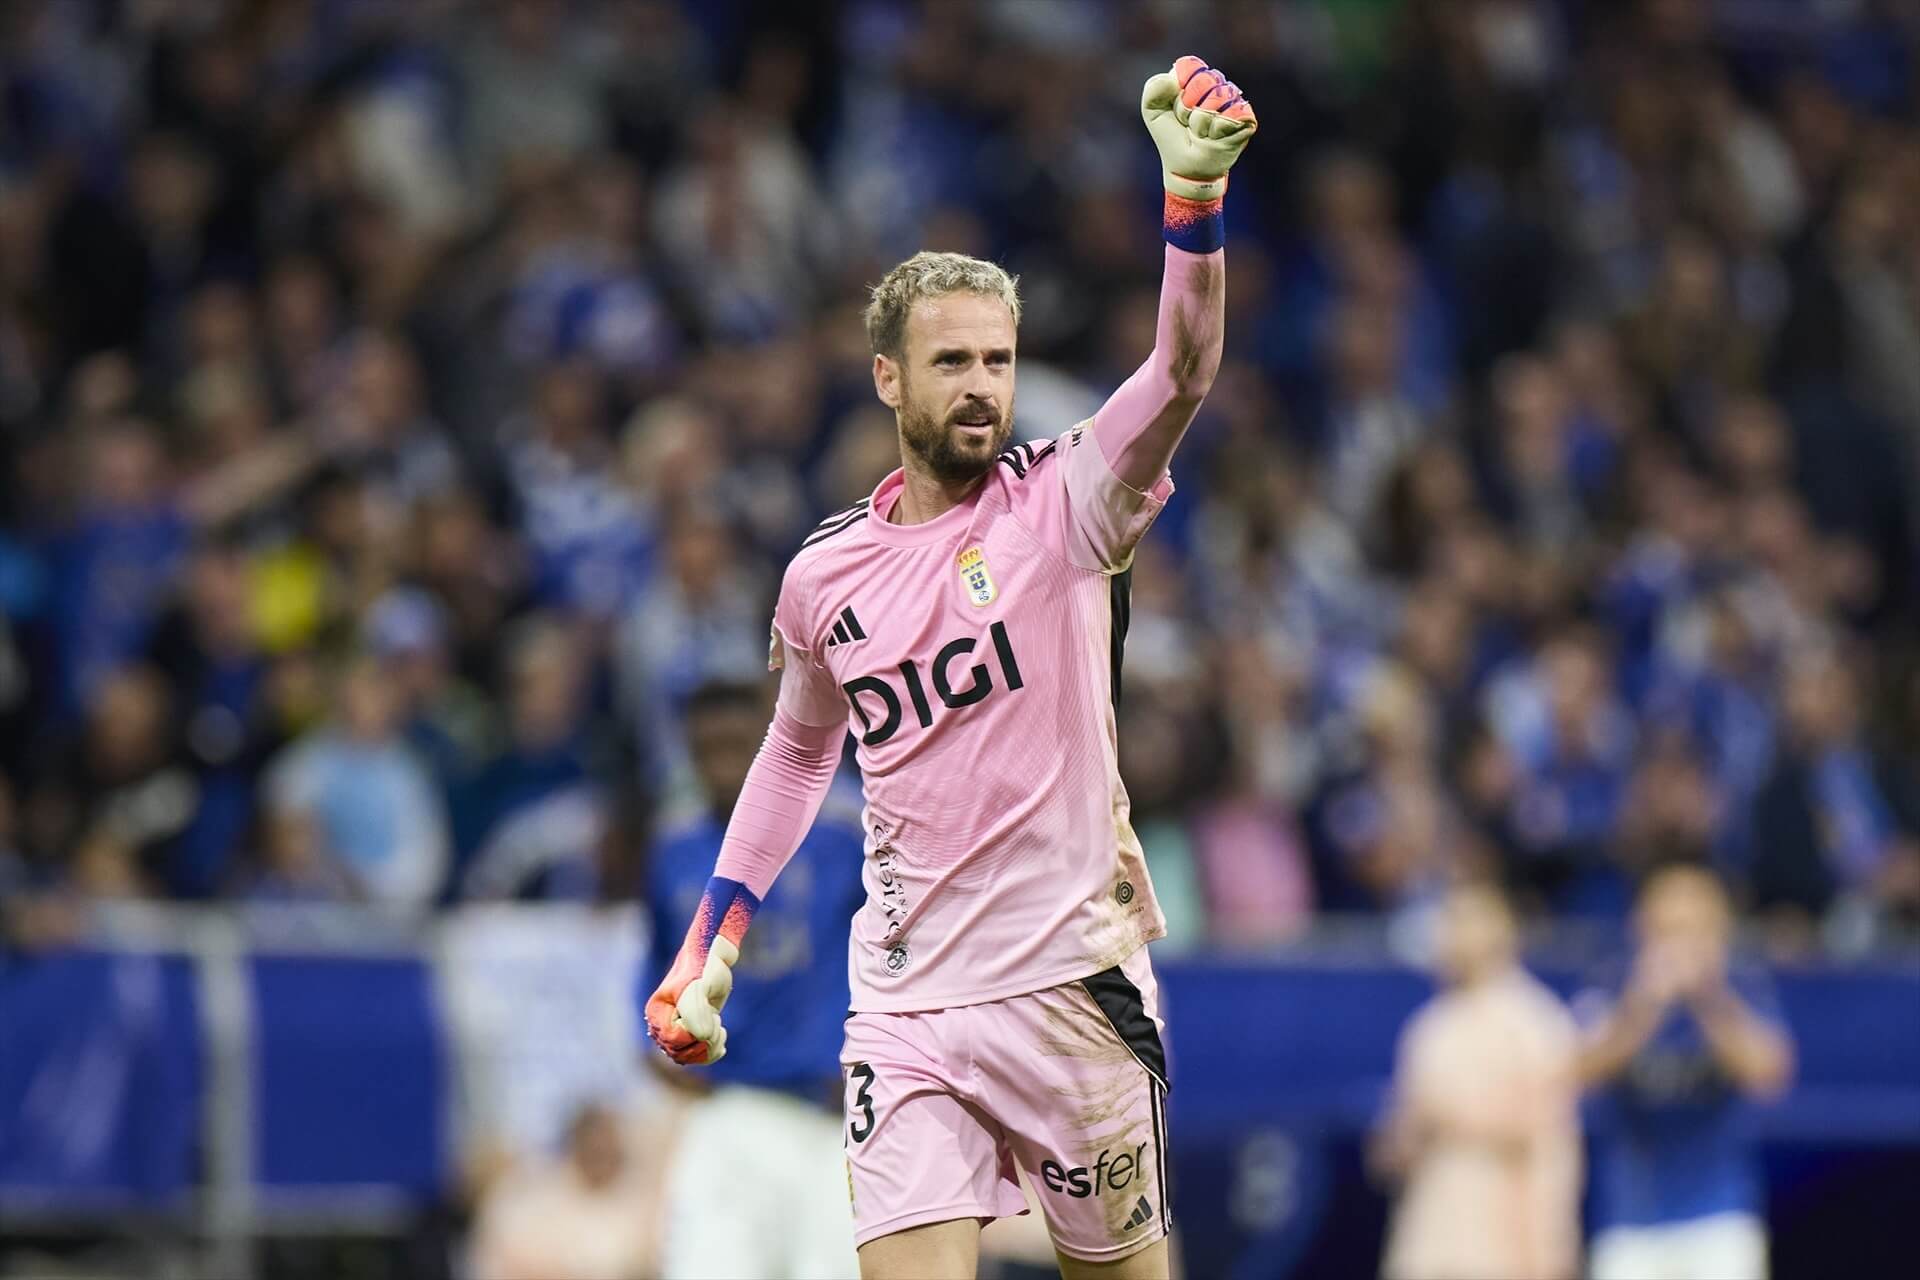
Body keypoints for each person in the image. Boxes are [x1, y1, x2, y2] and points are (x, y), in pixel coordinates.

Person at [643, 56, 1257, 1280]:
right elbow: (800, 747)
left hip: (1072, 979)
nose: (983, 388)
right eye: (952, 364)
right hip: (908, 1001)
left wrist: (1191, 211)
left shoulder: (1070, 504)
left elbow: (1181, 372)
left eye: (998, 360)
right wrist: (714, 929)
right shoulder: (826, 575)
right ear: (888, 379)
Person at [645, 680, 867, 1279]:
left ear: (766, 745)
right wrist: (660, 1049)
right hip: (728, 1109)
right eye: (704, 748)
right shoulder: (675, 849)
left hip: (831, 1116)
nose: (718, 761)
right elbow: (652, 969)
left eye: (732, 744)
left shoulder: (845, 832)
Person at [1577, 862, 1795, 1280]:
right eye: (1667, 930)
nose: (1679, 946)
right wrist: (1642, 1007)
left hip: (1718, 1219)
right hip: (1631, 1223)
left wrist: (1709, 999)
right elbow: (1581, 1072)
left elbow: (1770, 1075)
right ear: (1641, 929)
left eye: (1692, 930)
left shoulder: (1739, 988)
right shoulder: (1613, 984)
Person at [1373, 879, 1582, 1280]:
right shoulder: (1428, 1026)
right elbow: (1397, 1145)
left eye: (1467, 919)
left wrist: (1550, 1253)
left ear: (1504, 929)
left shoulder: (1535, 1022)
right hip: (1431, 1236)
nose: (1452, 932)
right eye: (1449, 920)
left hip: (1503, 1246)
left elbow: (1550, 1146)